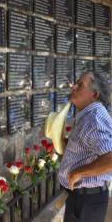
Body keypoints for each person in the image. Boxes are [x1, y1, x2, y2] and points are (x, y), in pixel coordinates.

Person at [58, 71, 112, 222]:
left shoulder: (93, 119)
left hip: (87, 201)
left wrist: (78, 173)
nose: (73, 86)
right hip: (82, 198)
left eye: (80, 85)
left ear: (94, 94)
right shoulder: (88, 115)